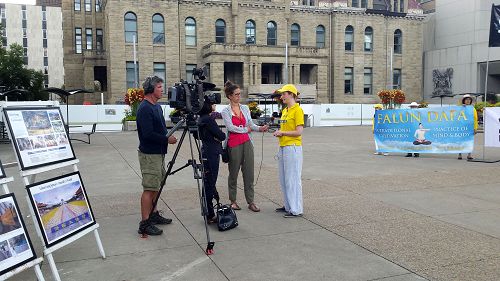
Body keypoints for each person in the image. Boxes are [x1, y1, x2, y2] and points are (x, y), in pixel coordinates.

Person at [136, 76, 177, 236]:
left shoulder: (157, 107)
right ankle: (144, 223)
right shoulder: (145, 108)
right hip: (149, 154)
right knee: (149, 188)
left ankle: (153, 215)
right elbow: (147, 134)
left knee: (156, 187)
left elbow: (158, 130)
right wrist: (167, 139)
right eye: (160, 87)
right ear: (152, 89)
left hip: (158, 153)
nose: (162, 90)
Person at [221, 81, 269, 212]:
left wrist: (260, 128)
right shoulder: (225, 111)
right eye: (236, 94)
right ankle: (233, 200)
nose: (238, 97)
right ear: (230, 96)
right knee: (233, 173)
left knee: (249, 172)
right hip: (233, 144)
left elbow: (251, 124)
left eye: (239, 94)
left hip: (247, 142)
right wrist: (245, 129)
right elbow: (230, 128)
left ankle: (251, 201)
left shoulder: (245, 108)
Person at [273, 84, 304, 218]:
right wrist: (280, 133)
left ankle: (296, 209)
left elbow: (299, 132)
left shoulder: (298, 110)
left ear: (291, 94)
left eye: (284, 94)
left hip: (293, 147)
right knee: (284, 178)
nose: (281, 96)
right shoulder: (285, 110)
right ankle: (288, 205)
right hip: (284, 146)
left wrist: (282, 132)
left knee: (292, 179)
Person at [197, 100, 226, 223]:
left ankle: (207, 211)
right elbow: (222, 136)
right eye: (212, 104)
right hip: (211, 153)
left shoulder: (200, 119)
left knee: (207, 182)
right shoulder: (208, 119)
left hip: (205, 151)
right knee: (210, 182)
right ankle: (209, 214)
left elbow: (197, 136)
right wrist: (216, 137)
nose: (214, 106)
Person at [458, 94, 478, 160]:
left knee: (469, 141)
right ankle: (459, 154)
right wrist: (462, 107)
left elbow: (475, 119)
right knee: (461, 141)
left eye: (469, 99)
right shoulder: (460, 108)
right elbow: (456, 116)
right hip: (462, 127)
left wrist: (475, 128)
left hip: (470, 127)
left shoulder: (473, 108)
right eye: (466, 99)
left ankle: (469, 155)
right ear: (464, 100)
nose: (468, 100)